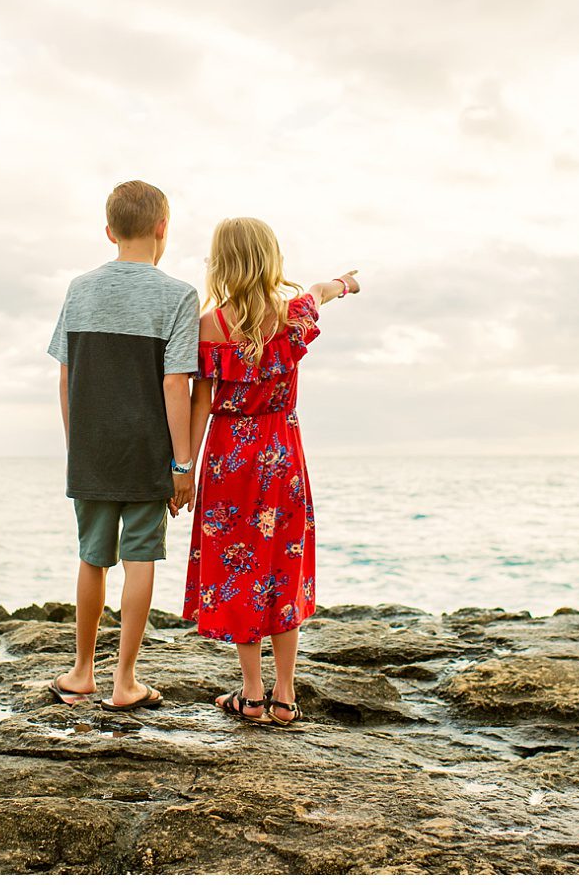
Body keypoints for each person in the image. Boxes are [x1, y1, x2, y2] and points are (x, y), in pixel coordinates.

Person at [179, 216, 360, 726]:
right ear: (270, 259)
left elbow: (200, 404)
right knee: (284, 566)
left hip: (228, 457)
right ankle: (284, 695)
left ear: (222, 263)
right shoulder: (292, 313)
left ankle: (252, 694)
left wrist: (184, 469)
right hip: (281, 455)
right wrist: (347, 283)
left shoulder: (210, 325)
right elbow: (324, 290)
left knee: (240, 569)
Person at [46, 180, 200, 711]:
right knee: (139, 558)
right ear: (163, 228)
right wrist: (183, 464)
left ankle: (82, 671)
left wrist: (77, 447)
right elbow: (175, 383)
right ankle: (125, 681)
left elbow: (66, 377)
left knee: (92, 559)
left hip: (88, 450)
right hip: (146, 452)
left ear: (109, 231)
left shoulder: (79, 289)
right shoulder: (178, 295)